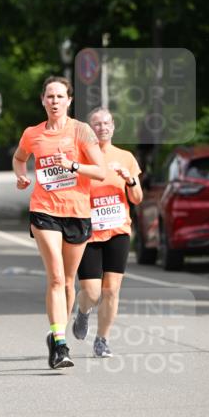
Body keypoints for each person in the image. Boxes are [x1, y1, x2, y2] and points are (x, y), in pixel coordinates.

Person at [12, 75, 105, 369]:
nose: (54, 101)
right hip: (44, 210)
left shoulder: (82, 131)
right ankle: (61, 344)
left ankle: (57, 335)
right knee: (54, 276)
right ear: (42, 100)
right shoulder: (32, 134)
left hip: (77, 212)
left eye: (60, 96)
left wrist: (73, 165)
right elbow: (19, 158)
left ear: (69, 100)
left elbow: (100, 172)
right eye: (49, 96)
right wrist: (21, 175)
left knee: (67, 281)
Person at [72, 107, 143, 357]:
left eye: (106, 123)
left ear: (113, 127)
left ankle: (102, 339)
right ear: (89, 129)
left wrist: (130, 180)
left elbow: (137, 198)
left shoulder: (125, 157)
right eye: (96, 124)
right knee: (91, 292)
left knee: (111, 290)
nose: (102, 128)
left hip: (118, 230)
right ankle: (82, 313)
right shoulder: (80, 157)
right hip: (89, 233)